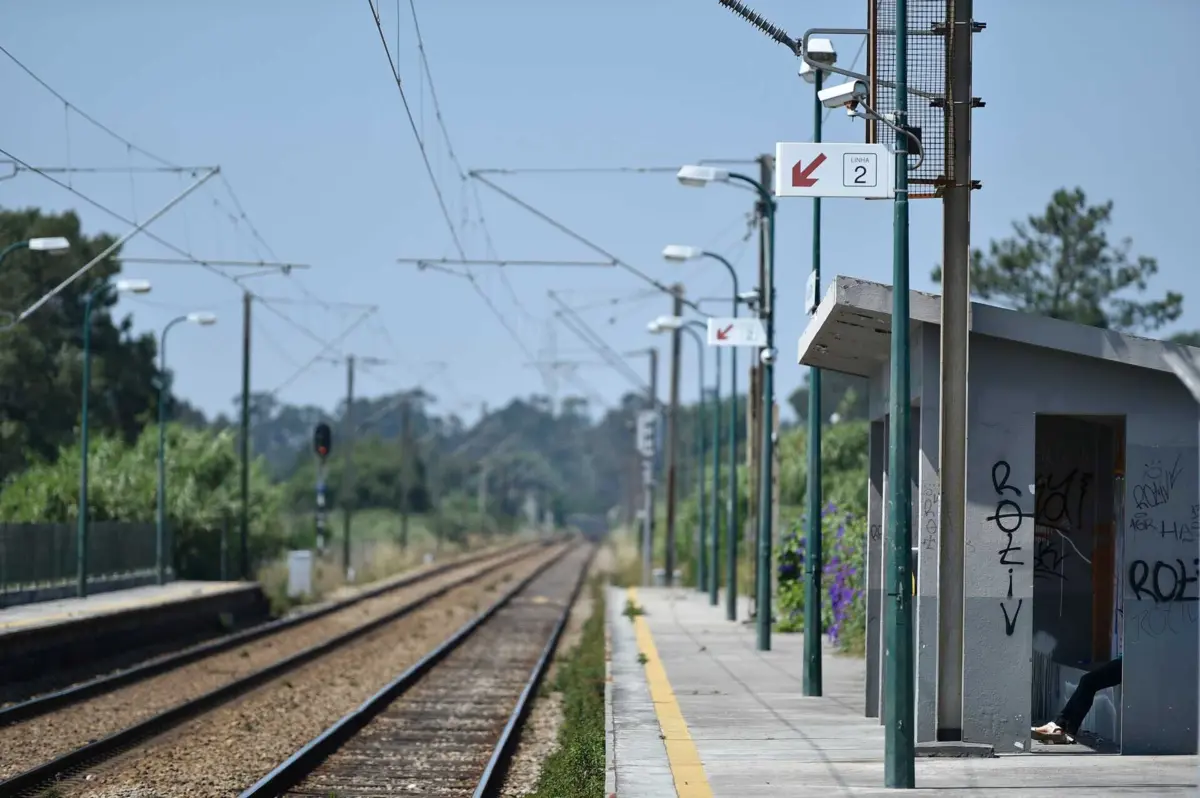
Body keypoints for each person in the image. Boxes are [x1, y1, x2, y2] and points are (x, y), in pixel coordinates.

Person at [1031, 656, 1122, 743]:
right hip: (1128, 661)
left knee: (1088, 681)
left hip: (1130, 662)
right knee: (1088, 681)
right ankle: (1064, 725)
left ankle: (1064, 726)